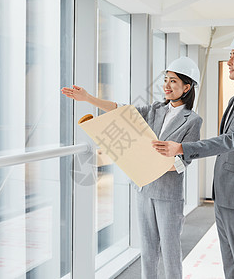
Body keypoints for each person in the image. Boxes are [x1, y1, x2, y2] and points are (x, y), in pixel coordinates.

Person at [61, 57, 202, 279]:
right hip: (144, 190)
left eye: (173, 81)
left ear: (187, 86)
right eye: (165, 80)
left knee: (170, 251)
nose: (166, 85)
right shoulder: (156, 109)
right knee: (147, 251)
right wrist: (88, 98)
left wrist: (164, 160)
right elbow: (123, 111)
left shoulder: (193, 120)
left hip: (168, 194)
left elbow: (185, 160)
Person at [152, 28, 234, 279]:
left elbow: (232, 140)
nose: (229, 62)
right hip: (226, 194)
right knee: (231, 266)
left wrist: (183, 148)